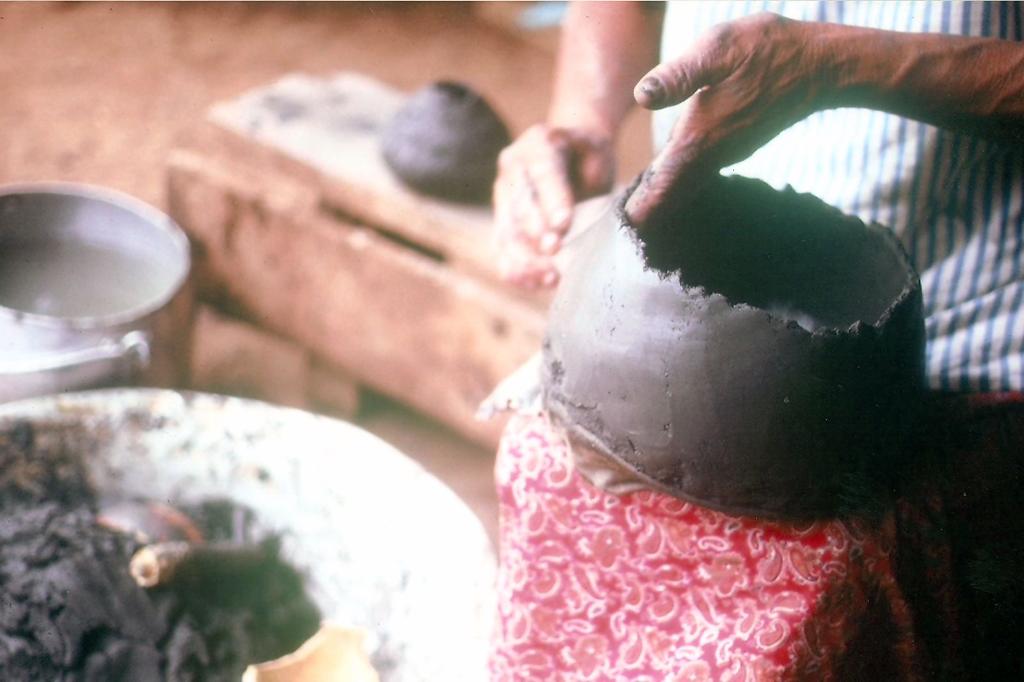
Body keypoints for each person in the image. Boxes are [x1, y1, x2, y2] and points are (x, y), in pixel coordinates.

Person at [490, 2, 1024, 680]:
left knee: (833, 590)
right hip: (674, 275)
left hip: (959, 325)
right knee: (541, 466)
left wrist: (842, 64)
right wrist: (582, 125)